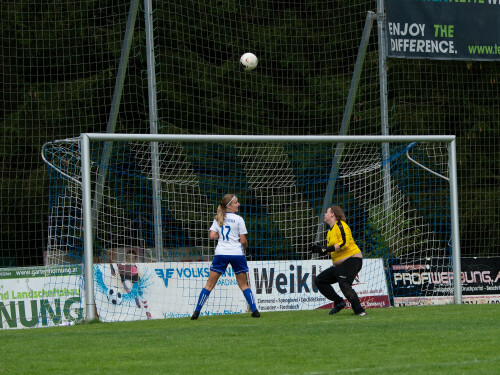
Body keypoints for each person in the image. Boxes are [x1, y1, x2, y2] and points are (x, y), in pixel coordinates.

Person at [191, 194, 260, 320]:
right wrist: (243, 248)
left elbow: (211, 236)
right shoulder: (239, 219)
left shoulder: (218, 218)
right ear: (229, 205)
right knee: (243, 285)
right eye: (236, 203)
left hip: (221, 253)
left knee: (209, 285)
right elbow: (243, 240)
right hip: (236, 254)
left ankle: (196, 312)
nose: (238, 204)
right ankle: (255, 310)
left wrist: (221, 236)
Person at [310, 205, 367, 316]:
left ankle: (360, 311)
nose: (325, 214)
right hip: (339, 265)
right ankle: (339, 302)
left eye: (327, 212)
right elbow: (332, 250)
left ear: (332, 214)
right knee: (319, 280)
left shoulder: (341, 225)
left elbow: (344, 244)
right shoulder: (329, 232)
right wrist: (320, 249)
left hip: (353, 260)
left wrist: (325, 249)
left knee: (344, 283)